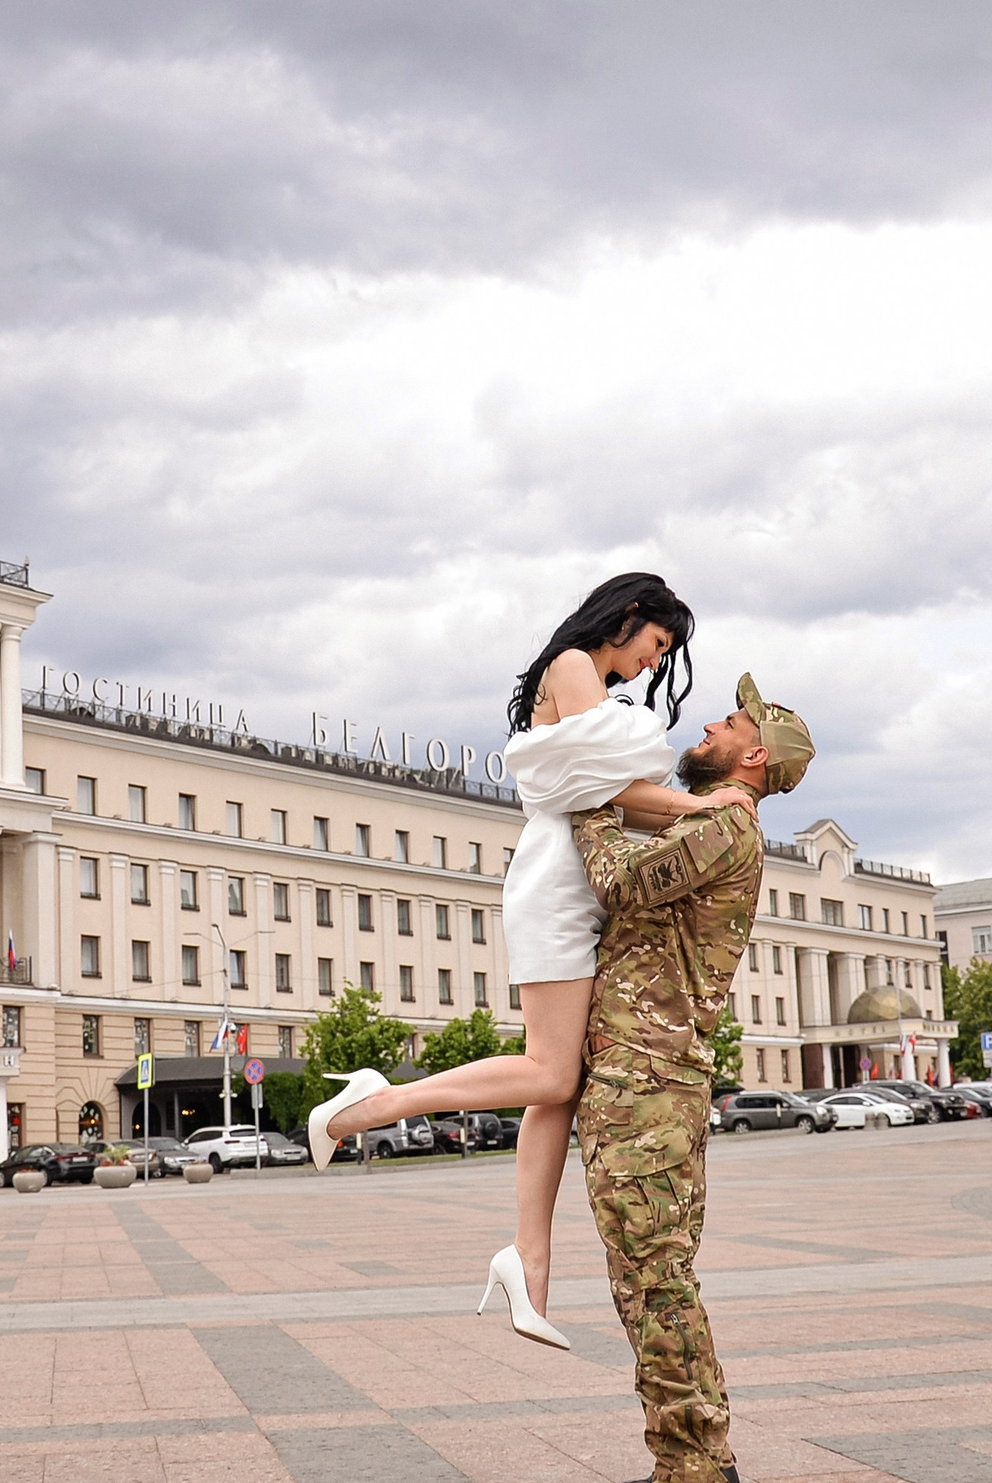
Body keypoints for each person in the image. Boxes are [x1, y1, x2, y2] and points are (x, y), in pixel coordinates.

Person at [306, 574, 747, 1348]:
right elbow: (615, 786)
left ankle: (529, 1262)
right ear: (630, 615)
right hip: (555, 885)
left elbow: (616, 796)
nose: (654, 663)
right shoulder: (573, 666)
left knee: (559, 1085)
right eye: (657, 643)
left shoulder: (590, 682)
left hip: (575, 884)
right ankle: (373, 1104)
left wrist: (695, 810)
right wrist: (700, 803)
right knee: (549, 1073)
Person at [571, 674, 814, 1483]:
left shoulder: (723, 824)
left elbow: (618, 881)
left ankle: (691, 1480)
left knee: (651, 1280)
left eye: (731, 720)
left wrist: (583, 798)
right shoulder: (713, 821)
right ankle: (709, 1452)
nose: (710, 722)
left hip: (645, 1081)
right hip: (653, 1078)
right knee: (664, 1273)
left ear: (755, 754)